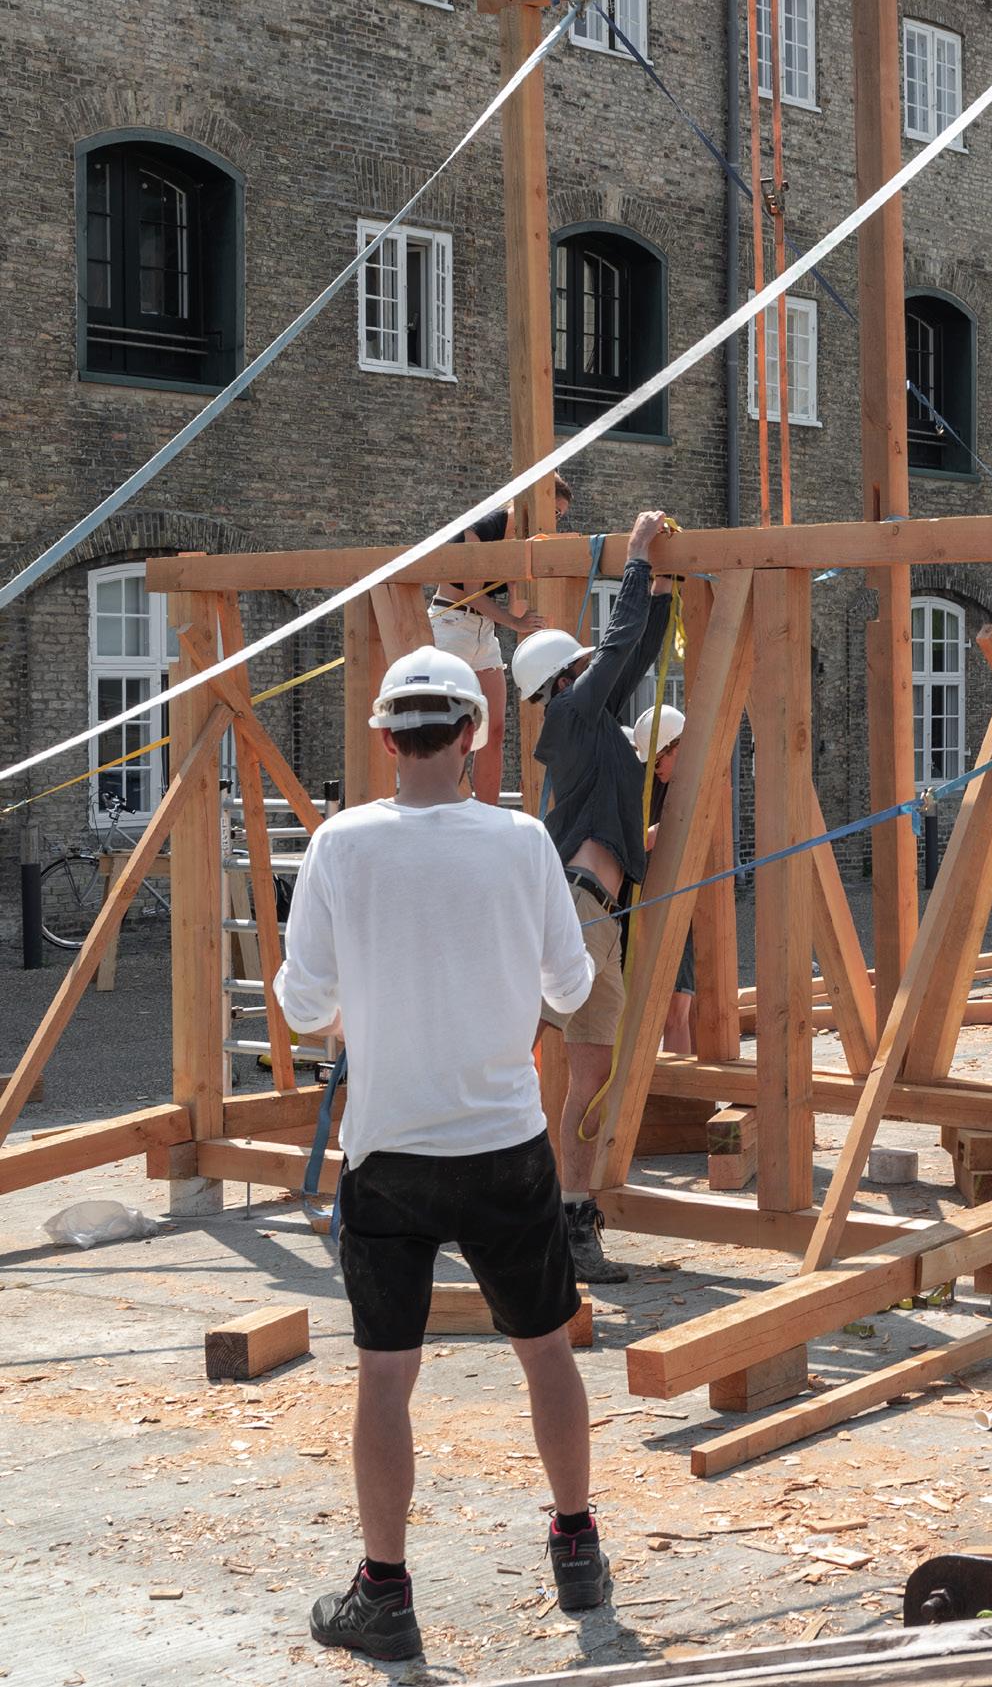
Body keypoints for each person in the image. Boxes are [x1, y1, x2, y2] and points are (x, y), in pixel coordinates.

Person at [274, 647, 607, 1663]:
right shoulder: (520, 841)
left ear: (385, 736)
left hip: (391, 1149)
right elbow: (572, 986)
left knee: (385, 1375)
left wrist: (360, 1009)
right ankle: (578, 1548)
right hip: (506, 1142)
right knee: (546, 1347)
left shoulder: (341, 844)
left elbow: (302, 1003)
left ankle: (385, 1595)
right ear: (473, 734)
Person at [510, 508, 673, 1283]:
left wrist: (662, 593)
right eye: (582, 667)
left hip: (602, 921)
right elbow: (616, 649)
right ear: (564, 680)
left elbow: (631, 655)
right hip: (576, 912)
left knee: (589, 1078)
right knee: (511, 1050)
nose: (593, 672)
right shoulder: (574, 715)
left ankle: (573, 1219)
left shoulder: (593, 721)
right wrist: (636, 557)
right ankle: (467, 1187)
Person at [428, 506, 547, 813]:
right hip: (452, 622)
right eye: (555, 511)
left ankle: (486, 815)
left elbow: (516, 605)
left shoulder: (516, 542)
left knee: (494, 729)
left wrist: (519, 582)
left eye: (558, 514)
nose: (554, 519)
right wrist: (515, 622)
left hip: (483, 632)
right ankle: (440, 808)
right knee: (448, 724)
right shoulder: (482, 526)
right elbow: (473, 594)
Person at [632, 702, 693, 1057]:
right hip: (661, 901)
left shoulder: (693, 786)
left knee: (676, 1012)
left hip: (681, 903)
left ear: (677, 747)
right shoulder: (660, 786)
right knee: (672, 1011)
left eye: (657, 762)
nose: (654, 771)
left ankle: (682, 1090)